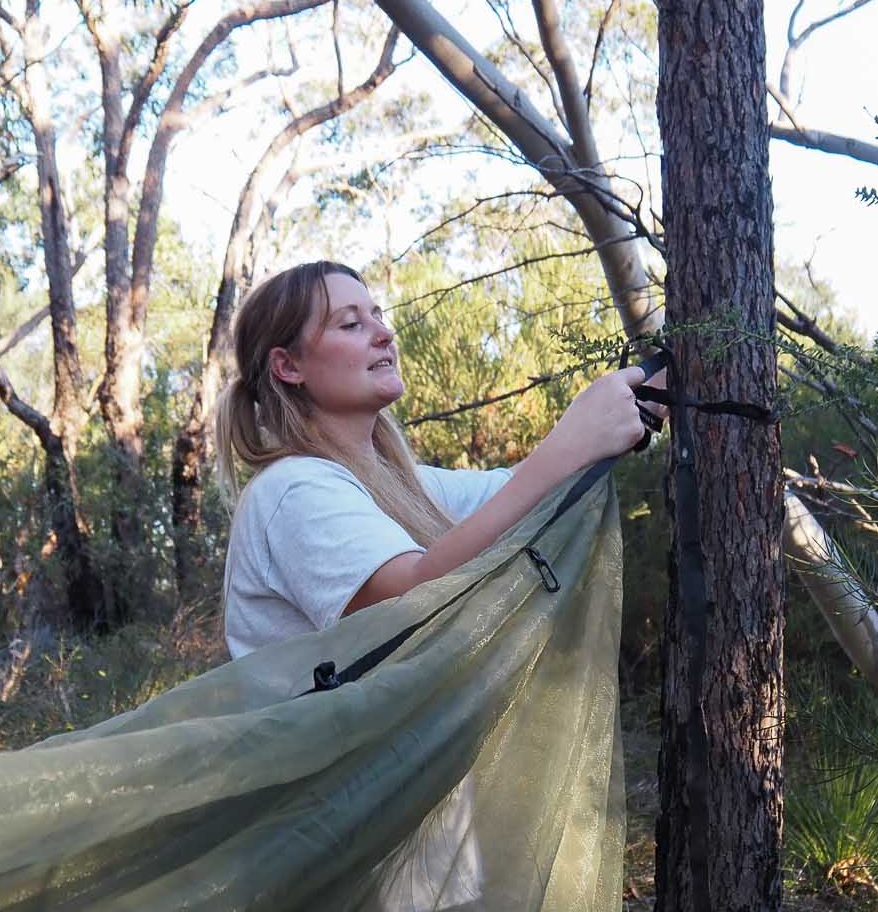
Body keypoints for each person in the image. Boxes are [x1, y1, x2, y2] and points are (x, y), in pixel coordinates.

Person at [213, 259, 665, 664]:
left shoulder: (399, 486)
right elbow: (410, 598)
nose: (384, 334)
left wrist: (641, 394)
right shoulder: (294, 489)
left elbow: (517, 489)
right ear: (288, 367)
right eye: (350, 325)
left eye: (377, 316)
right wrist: (574, 440)